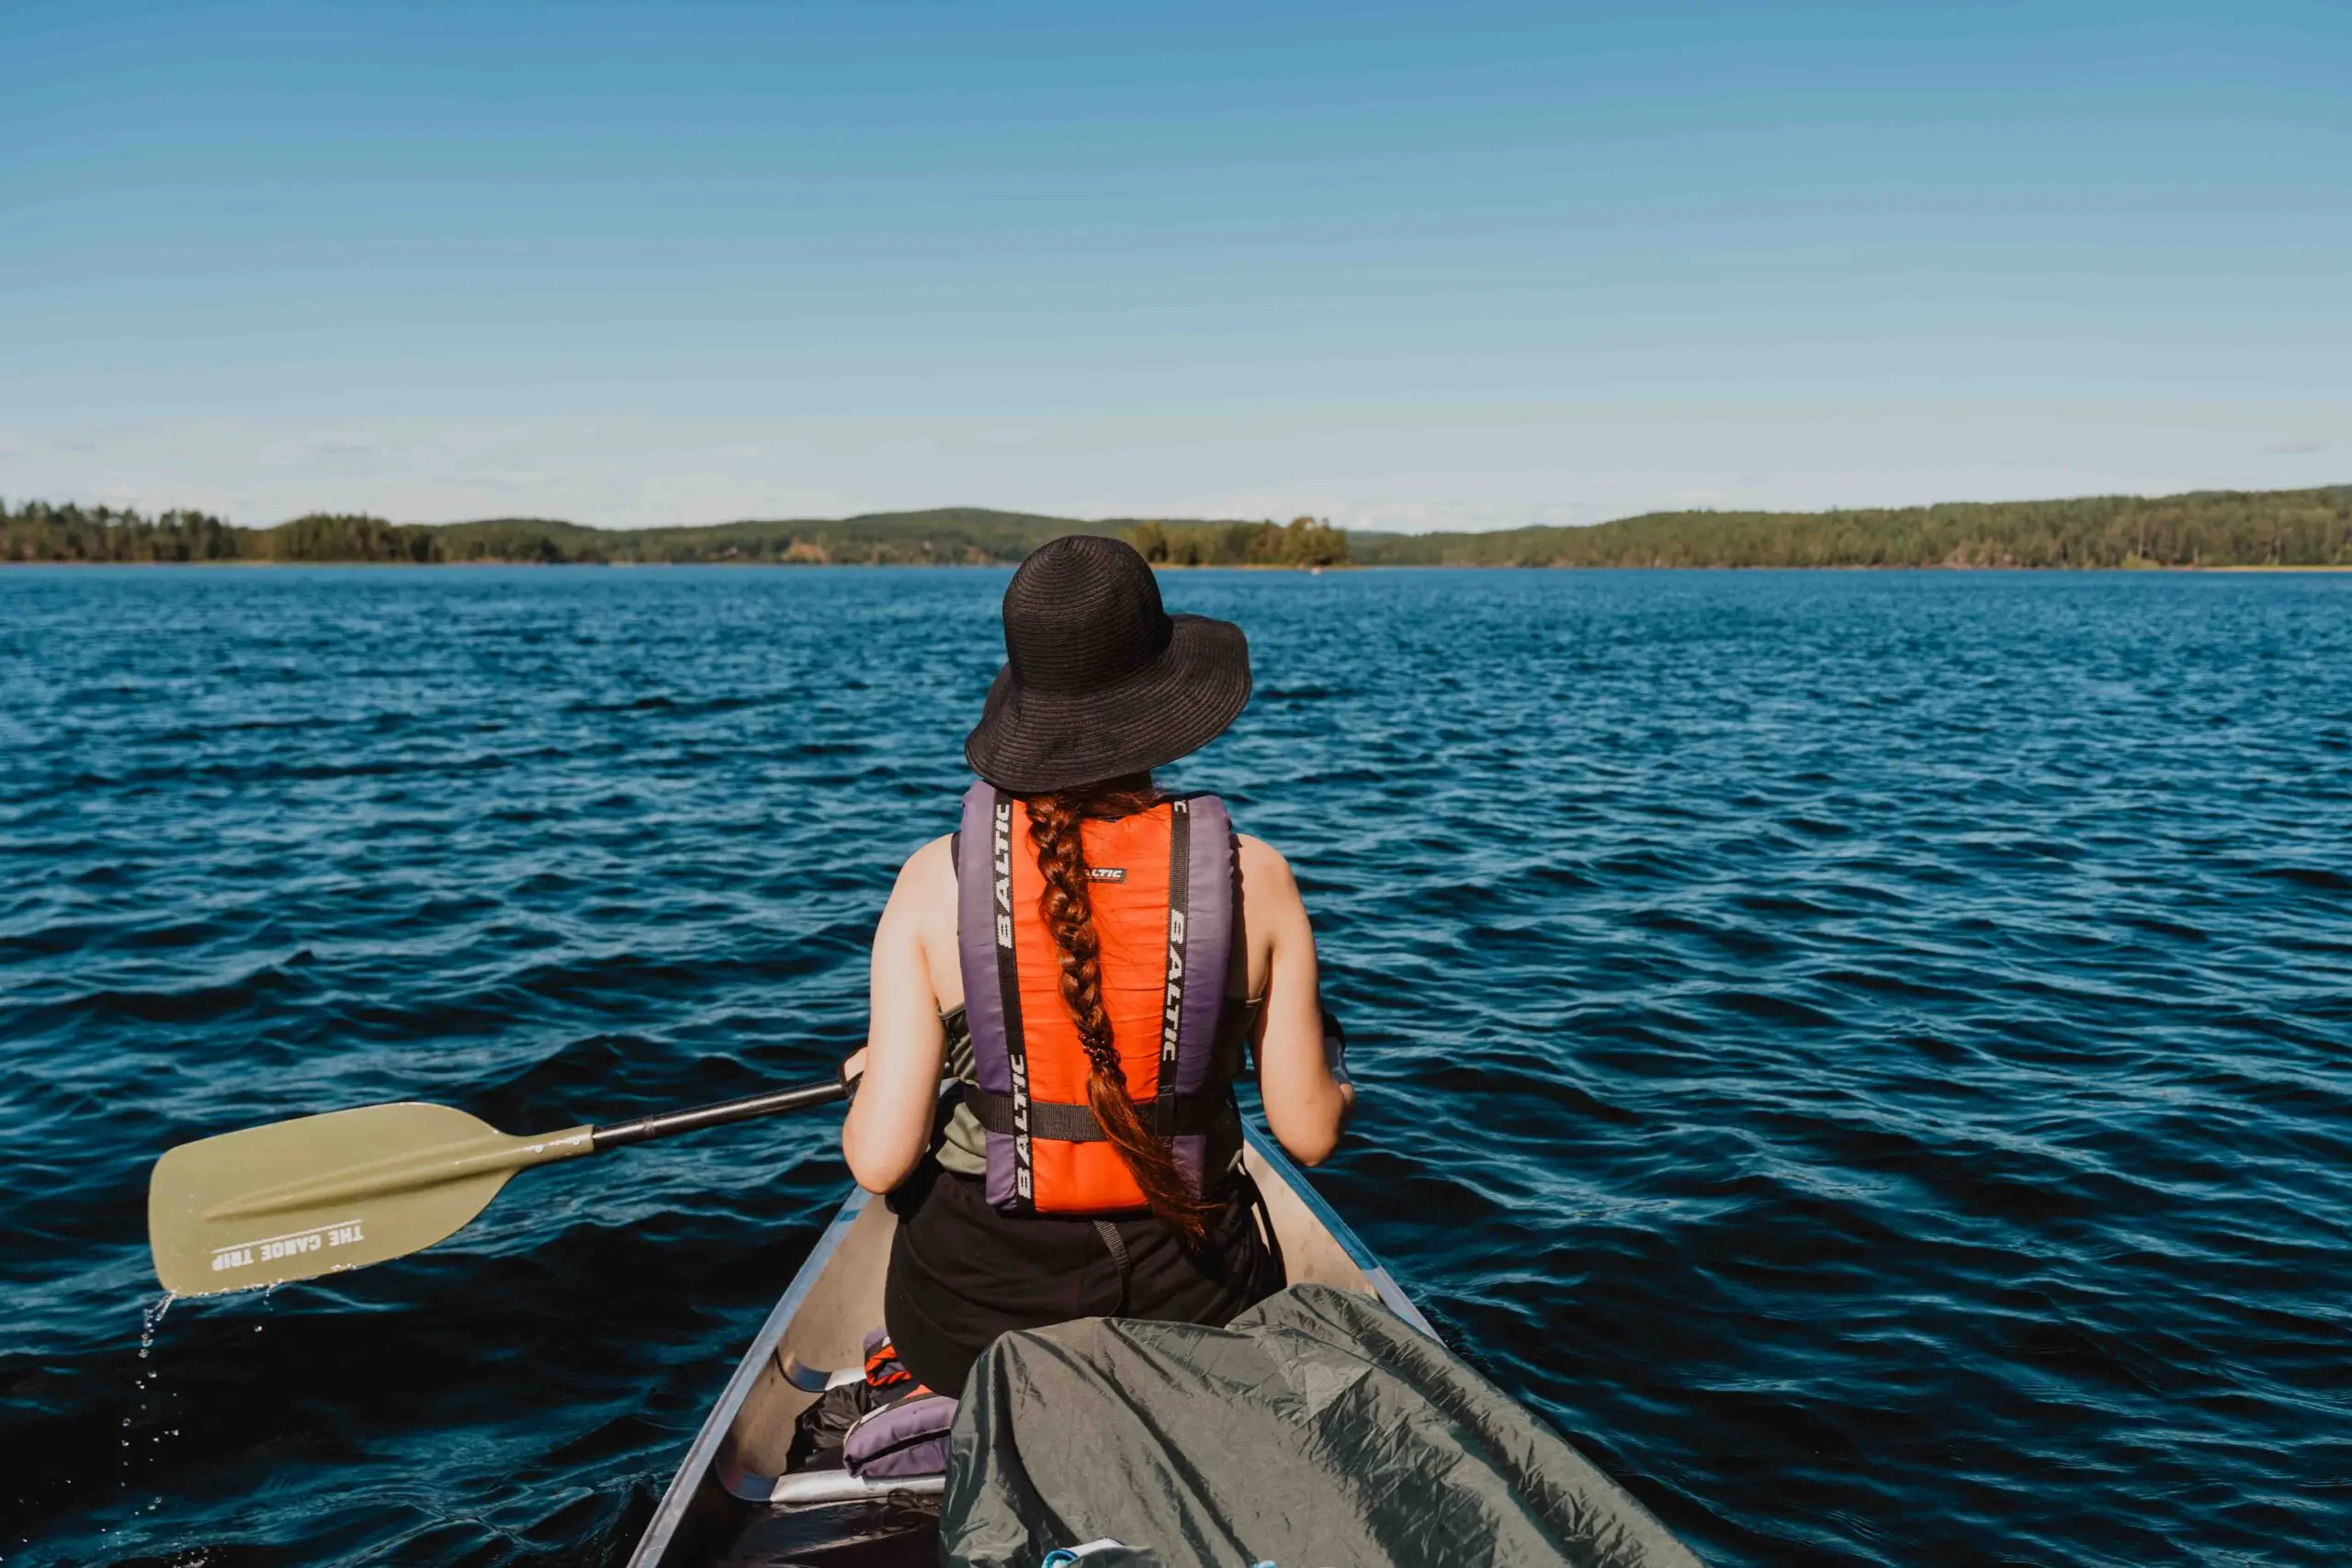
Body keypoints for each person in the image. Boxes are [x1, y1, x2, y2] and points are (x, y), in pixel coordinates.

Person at [840, 535, 1355, 1397]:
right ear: (1163, 701)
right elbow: (1309, 1132)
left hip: (971, 1328)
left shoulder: (934, 879)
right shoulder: (1255, 876)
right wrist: (1335, 1068)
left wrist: (872, 1082)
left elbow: (880, 1162)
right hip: (1196, 1311)